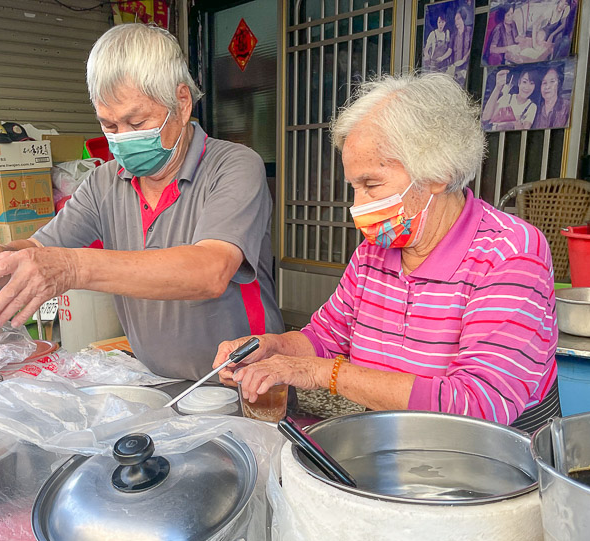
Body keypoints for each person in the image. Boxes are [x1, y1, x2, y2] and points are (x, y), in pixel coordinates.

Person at [0, 24, 284, 380]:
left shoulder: (235, 166)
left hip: (248, 387)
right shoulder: (103, 182)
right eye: (110, 126)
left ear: (181, 101)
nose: (123, 139)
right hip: (160, 384)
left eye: (137, 122)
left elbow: (211, 271)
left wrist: (74, 268)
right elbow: (41, 248)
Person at [214, 73, 559, 433]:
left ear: (438, 172)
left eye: (371, 185)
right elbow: (325, 337)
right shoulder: (374, 254)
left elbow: (478, 404)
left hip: (490, 464)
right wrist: (272, 348)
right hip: (398, 445)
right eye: (354, 186)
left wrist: (318, 373)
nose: (357, 204)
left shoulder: (512, 253)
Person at [532, 64, 571, 129]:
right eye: (544, 83)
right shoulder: (535, 108)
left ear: (559, 84)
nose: (547, 87)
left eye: (552, 81)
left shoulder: (567, 106)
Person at [446, 9, 470, 86]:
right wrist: (441, 58)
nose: (456, 22)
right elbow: (449, 50)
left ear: (463, 18)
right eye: (455, 20)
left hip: (466, 66)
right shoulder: (454, 35)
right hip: (456, 66)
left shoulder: (469, 31)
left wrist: (465, 58)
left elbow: (471, 48)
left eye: (458, 19)